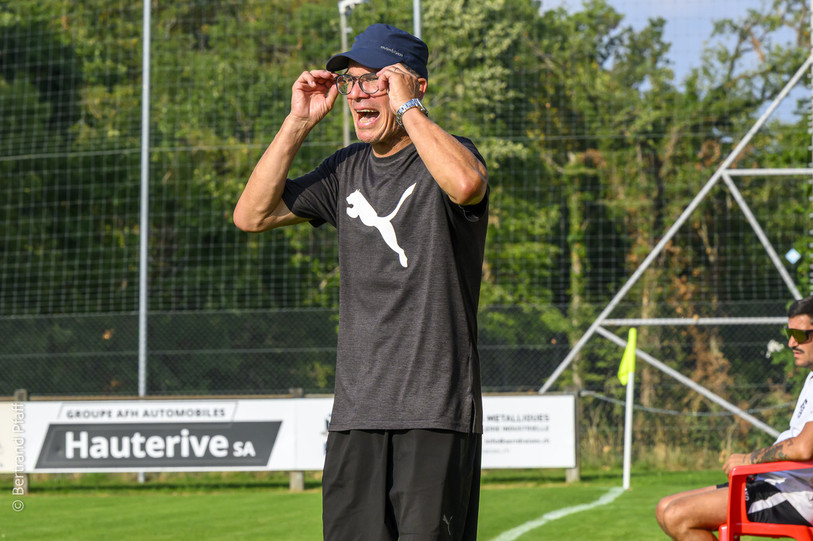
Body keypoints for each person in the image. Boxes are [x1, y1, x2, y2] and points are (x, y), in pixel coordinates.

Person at [233, 23, 489, 541]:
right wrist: (297, 122)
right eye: (351, 82)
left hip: (434, 410)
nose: (356, 93)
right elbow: (250, 215)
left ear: (412, 85)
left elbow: (466, 185)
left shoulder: (449, 155)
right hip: (356, 413)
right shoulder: (344, 169)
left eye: (374, 80)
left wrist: (408, 110)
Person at [655, 295, 813, 540]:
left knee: (677, 515)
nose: (792, 342)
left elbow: (803, 448)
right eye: (788, 333)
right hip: (782, 482)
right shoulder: (811, 378)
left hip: (798, 494)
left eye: (801, 335)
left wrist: (749, 459)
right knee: (665, 507)